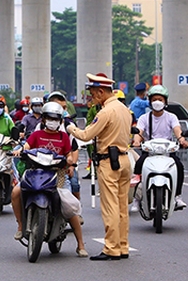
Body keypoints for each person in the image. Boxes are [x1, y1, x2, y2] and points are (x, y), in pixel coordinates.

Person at [67, 73, 132, 261]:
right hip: (124, 159)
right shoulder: (124, 109)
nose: (91, 98)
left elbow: (86, 135)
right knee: (121, 208)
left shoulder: (105, 112)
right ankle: (123, 246)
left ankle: (111, 248)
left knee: (110, 207)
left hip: (109, 162)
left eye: (93, 94)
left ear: (102, 91)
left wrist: (70, 127)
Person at [11, 102, 88, 257]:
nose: (53, 121)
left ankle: (80, 244)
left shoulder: (64, 137)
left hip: (57, 174)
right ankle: (20, 226)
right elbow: (27, 146)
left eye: (56, 119)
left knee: (69, 207)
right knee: (15, 192)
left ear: (60, 121)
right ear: (44, 119)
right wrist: (20, 151)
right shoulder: (36, 135)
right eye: (50, 118)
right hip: (35, 172)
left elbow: (69, 154)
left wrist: (70, 161)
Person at [131, 85, 188, 212]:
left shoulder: (171, 117)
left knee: (179, 166)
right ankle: (137, 198)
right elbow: (138, 132)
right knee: (139, 165)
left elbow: (177, 130)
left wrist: (182, 139)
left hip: (167, 152)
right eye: (154, 99)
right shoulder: (144, 118)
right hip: (149, 151)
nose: (157, 102)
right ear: (150, 101)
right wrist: (136, 140)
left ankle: (177, 196)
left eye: (160, 99)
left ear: (165, 101)